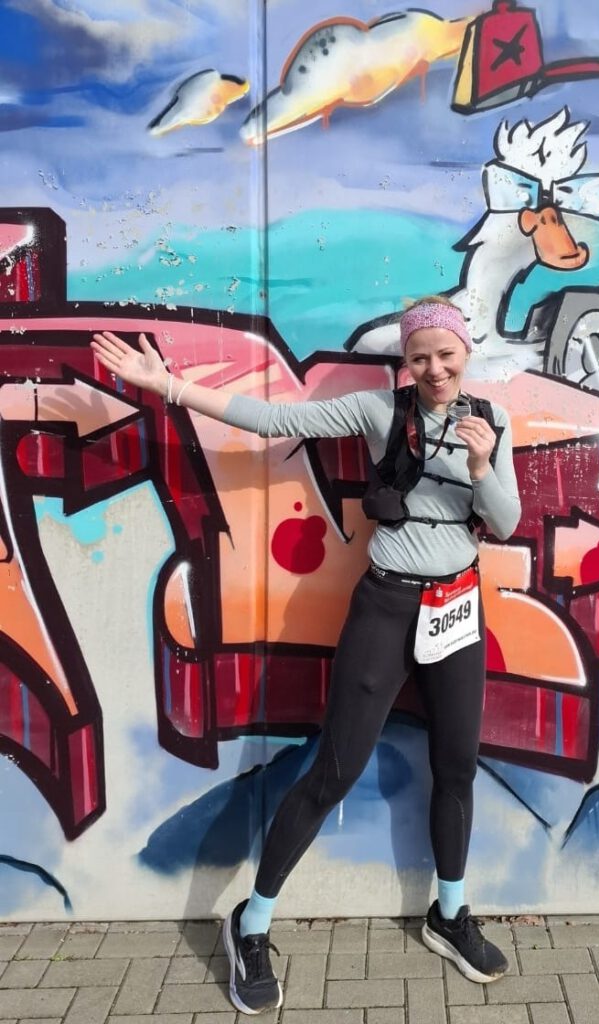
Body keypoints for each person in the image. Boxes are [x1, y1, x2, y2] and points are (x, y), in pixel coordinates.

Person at [91, 295, 522, 1015]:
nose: (434, 369)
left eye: (445, 355)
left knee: (456, 767)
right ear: (406, 361)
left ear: (464, 353)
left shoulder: (493, 420)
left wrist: (481, 464)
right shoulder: (378, 412)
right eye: (419, 357)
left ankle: (449, 914)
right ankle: (251, 922)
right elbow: (274, 421)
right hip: (387, 607)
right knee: (334, 770)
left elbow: (504, 522)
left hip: (456, 610)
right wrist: (166, 385)